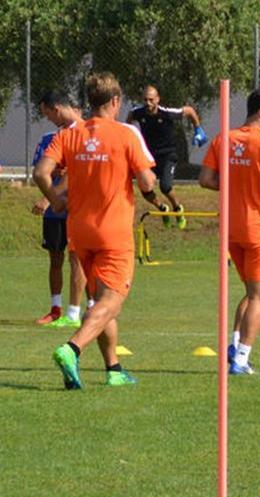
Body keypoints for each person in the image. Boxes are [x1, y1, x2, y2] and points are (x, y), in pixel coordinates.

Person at [35, 72, 156, 389]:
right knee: (112, 302)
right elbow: (146, 183)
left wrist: (56, 201)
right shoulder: (127, 133)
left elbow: (41, 172)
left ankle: (113, 368)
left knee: (99, 303)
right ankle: (71, 349)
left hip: (80, 231)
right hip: (112, 232)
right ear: (116, 101)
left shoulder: (71, 134)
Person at [199, 84, 260, 376]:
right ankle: (242, 358)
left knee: (249, 291)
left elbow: (206, 179)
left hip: (233, 230)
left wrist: (237, 183)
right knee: (259, 296)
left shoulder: (224, 139)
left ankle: (233, 346)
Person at [31, 90, 86, 328]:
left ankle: (75, 312)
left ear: (57, 108)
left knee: (77, 259)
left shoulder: (83, 135)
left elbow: (75, 172)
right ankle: (55, 309)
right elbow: (43, 169)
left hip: (75, 207)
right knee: (55, 257)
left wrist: (48, 199)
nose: (49, 119)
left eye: (47, 113)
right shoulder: (49, 138)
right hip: (55, 211)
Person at [127, 84, 206, 229]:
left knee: (165, 186)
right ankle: (163, 208)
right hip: (149, 157)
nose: (148, 104)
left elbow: (189, 111)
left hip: (168, 155)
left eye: (151, 100)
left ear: (157, 99)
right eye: (145, 100)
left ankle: (178, 209)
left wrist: (198, 129)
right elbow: (129, 119)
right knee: (145, 188)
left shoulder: (167, 113)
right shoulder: (138, 113)